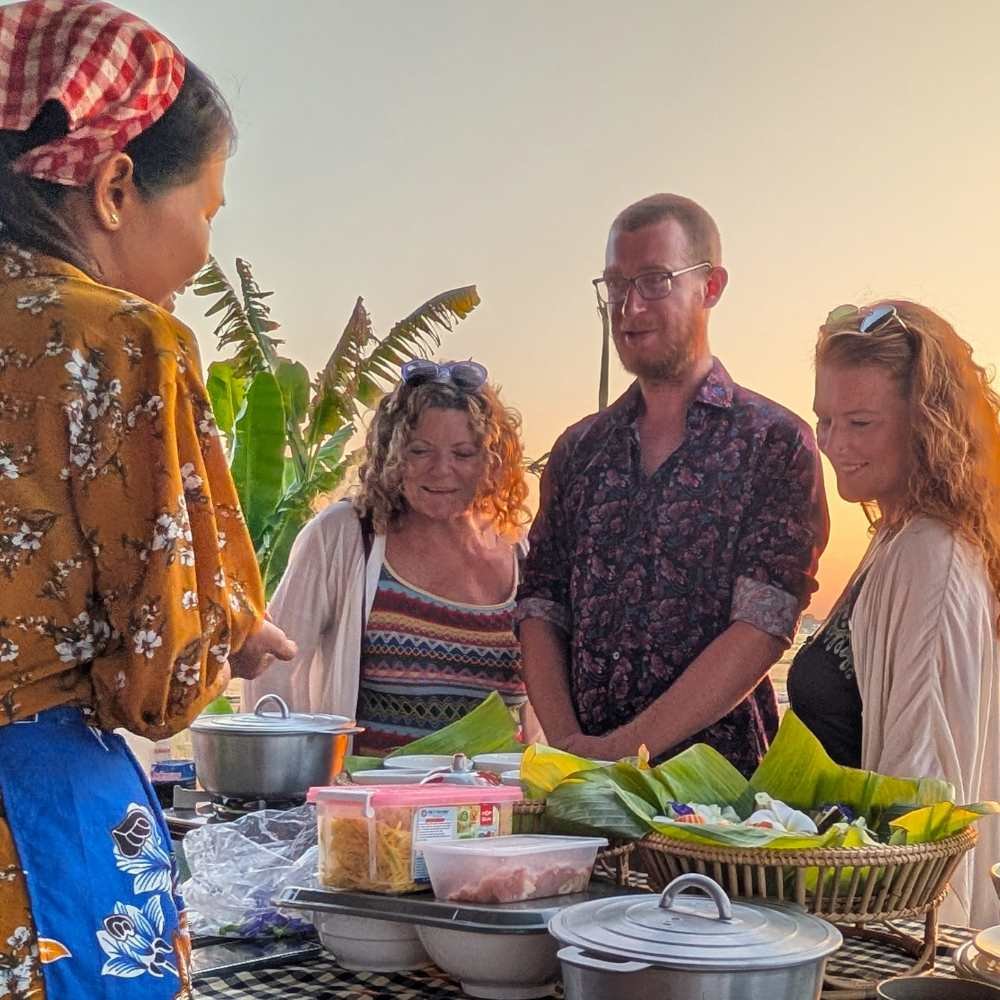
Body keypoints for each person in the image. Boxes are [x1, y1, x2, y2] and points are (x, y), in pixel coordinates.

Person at [0, 2, 294, 996]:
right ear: (116, 187)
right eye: (208, 208)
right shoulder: (122, 341)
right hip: (37, 838)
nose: (206, 246)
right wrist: (230, 632)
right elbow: (161, 682)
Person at [516, 193, 829, 776]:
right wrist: (568, 749)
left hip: (717, 798)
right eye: (615, 285)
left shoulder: (774, 442)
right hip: (578, 789)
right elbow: (540, 605)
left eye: (655, 280)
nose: (629, 306)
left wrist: (623, 751)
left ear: (710, 286)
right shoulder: (578, 450)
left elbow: (764, 624)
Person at [788, 300, 1000, 927]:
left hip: (887, 934)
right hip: (846, 913)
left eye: (860, 422)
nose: (834, 444)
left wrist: (908, 956)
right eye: (825, 420)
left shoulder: (931, 556)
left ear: (926, 423)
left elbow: (927, 809)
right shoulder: (895, 536)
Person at [244, 360, 535, 755]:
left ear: (492, 460)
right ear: (392, 454)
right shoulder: (345, 535)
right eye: (420, 451)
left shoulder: (522, 552)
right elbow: (275, 671)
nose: (442, 470)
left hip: (498, 792)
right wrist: (288, 775)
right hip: (369, 793)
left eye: (463, 454)